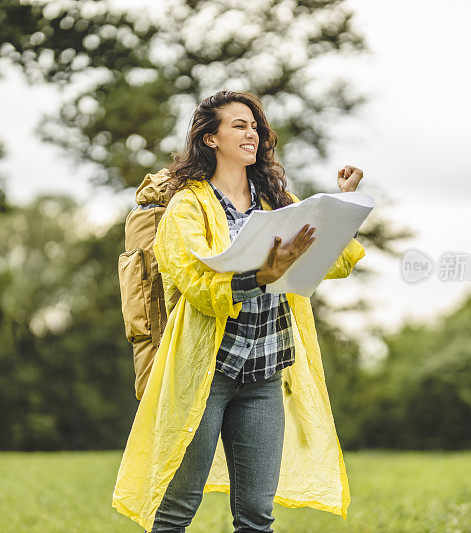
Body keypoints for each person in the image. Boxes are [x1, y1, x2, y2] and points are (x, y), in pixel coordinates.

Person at [112, 90, 367, 533]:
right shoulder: (187, 207)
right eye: (238, 125)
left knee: (256, 518)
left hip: (265, 374)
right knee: (175, 513)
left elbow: (332, 260)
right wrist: (259, 277)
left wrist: (342, 204)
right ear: (210, 138)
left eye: (254, 126)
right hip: (205, 376)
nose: (252, 133)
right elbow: (194, 282)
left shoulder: (276, 199)